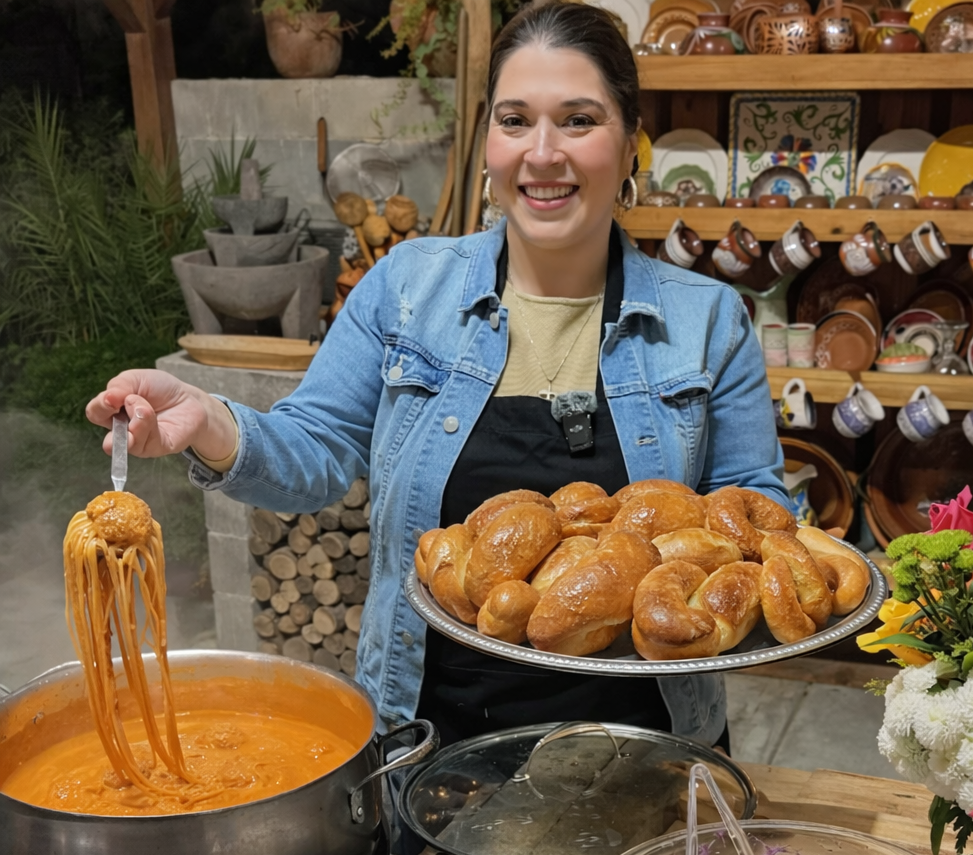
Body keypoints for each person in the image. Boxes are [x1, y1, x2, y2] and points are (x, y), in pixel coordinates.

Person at [86, 1, 786, 751]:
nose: (542, 152)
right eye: (514, 121)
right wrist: (211, 423)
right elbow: (316, 446)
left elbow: (760, 518)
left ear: (629, 147)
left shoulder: (707, 320)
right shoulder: (407, 288)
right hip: (435, 743)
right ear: (487, 143)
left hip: (652, 743)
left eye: (578, 121)